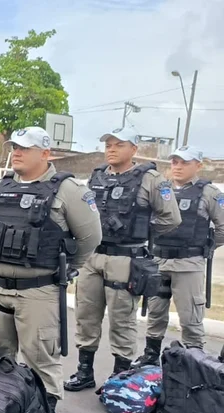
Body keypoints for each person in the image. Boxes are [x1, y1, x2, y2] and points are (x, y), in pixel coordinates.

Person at [0, 127, 101, 413]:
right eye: (14, 147)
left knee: (40, 359)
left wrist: (70, 268)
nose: (16, 152)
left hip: (38, 291)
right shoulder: (0, 187)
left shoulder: (69, 190)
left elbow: (90, 238)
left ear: (46, 153)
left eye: (25, 148)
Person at [65, 127, 181, 391]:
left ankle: (120, 376)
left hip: (126, 259)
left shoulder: (150, 179)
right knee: (86, 315)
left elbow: (171, 218)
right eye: (108, 145)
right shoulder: (96, 177)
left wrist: (141, 232)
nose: (111, 149)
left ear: (134, 150)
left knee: (122, 319)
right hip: (93, 257)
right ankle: (84, 371)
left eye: (119, 144)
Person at [133, 146, 224, 365]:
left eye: (184, 162)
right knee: (155, 313)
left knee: (190, 318)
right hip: (158, 261)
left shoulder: (210, 193)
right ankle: (151, 356)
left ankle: (194, 362)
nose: (178, 167)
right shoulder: (162, 191)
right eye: (174, 162)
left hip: (188, 264)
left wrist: (204, 248)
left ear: (198, 165)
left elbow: (223, 228)